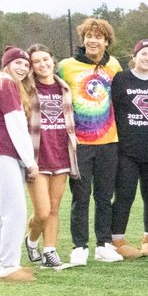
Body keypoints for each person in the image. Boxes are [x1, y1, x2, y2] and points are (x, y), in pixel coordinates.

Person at [57, 16, 123, 266]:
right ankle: (79, 246)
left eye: (98, 36)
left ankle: (103, 244)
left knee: (105, 197)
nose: (93, 40)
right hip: (79, 144)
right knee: (81, 197)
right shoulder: (66, 66)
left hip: (109, 142)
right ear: (83, 40)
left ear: (107, 41)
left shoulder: (114, 66)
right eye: (89, 36)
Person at [0, 47, 39, 282]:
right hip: (3, 153)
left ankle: (2, 261)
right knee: (14, 210)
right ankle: (8, 266)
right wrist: (30, 162)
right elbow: (15, 123)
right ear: (6, 64)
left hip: (0, 153)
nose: (23, 68)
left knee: (4, 210)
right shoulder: (6, 85)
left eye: (26, 65)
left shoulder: (0, 85)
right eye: (17, 63)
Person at [110, 39, 148, 258]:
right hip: (127, 150)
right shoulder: (121, 79)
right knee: (124, 194)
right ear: (134, 56)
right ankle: (116, 239)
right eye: (143, 54)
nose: (147, 58)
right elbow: (112, 111)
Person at [22, 44, 76, 269]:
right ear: (31, 67)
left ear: (53, 60)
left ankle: (50, 251)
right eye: (37, 62)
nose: (43, 65)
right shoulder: (25, 88)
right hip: (36, 157)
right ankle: (32, 239)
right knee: (42, 211)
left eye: (46, 59)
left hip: (61, 155)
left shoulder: (63, 87)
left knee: (54, 207)